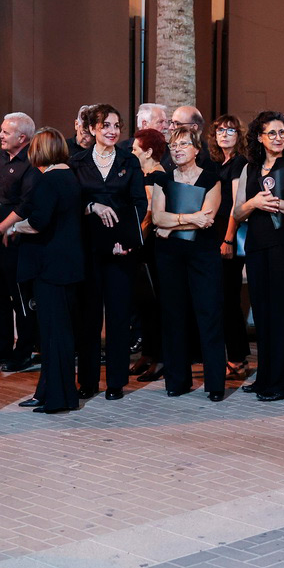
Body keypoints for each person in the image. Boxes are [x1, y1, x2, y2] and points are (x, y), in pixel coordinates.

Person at [233, 111, 284, 402]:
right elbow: (237, 212)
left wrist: (278, 204)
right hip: (258, 249)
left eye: (283, 132)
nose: (278, 138)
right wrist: (254, 202)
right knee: (264, 316)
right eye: (272, 133)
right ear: (259, 137)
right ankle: (266, 377)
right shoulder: (250, 168)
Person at [6, 129, 84, 414]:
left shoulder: (50, 179)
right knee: (56, 333)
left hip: (52, 267)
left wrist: (14, 227)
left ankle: (59, 397)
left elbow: (38, 222)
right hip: (65, 265)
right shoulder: (69, 176)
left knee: (54, 334)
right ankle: (48, 392)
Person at [73, 104, 147, 401]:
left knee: (118, 316)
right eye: (106, 125)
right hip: (86, 249)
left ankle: (116, 381)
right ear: (92, 129)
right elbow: (70, 203)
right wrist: (92, 206)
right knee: (88, 318)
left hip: (120, 251)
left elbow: (139, 203)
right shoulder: (77, 162)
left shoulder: (130, 161)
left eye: (116, 125)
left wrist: (125, 241)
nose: (112, 131)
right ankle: (87, 381)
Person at [151, 125, 227, 400]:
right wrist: (187, 218)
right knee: (173, 316)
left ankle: (215, 384)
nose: (177, 149)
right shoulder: (162, 179)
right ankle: (177, 380)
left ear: (196, 149)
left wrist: (171, 226)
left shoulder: (212, 179)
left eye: (183, 144)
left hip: (203, 255)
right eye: (173, 145)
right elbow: (157, 218)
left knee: (209, 315)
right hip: (169, 256)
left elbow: (207, 219)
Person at [0, 112, 40, 372]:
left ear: (22, 138)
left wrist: (2, 228)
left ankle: (24, 349)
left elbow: (26, 204)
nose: (0, 136)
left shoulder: (31, 162)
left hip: (16, 240)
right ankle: (1, 345)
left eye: (5, 132)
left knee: (21, 297)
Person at [210, 115, 249, 376]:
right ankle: (234, 356)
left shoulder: (239, 162)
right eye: (220, 131)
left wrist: (228, 238)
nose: (224, 135)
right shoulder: (218, 162)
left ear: (239, 135)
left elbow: (237, 204)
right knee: (221, 298)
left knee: (229, 299)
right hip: (215, 233)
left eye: (230, 131)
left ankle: (237, 358)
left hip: (229, 234)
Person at [129, 128, 169, 383]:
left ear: (149, 152)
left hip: (151, 245)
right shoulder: (144, 175)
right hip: (144, 244)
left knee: (155, 302)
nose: (132, 152)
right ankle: (149, 353)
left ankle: (160, 357)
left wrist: (137, 239)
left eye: (136, 149)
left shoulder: (155, 176)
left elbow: (149, 214)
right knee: (145, 303)